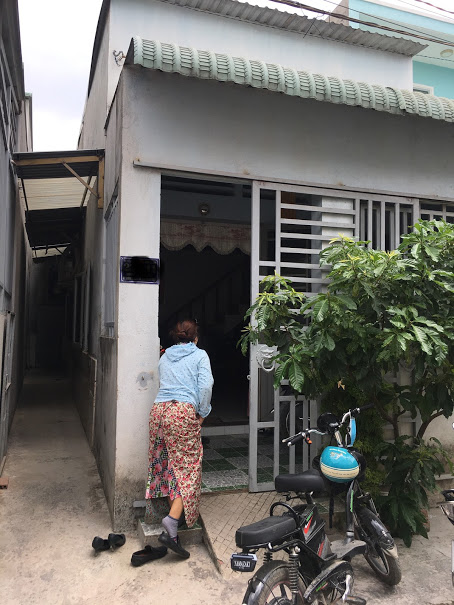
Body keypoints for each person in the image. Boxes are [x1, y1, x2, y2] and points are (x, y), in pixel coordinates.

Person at [145, 319, 213, 558]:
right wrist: (203, 412)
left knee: (168, 465)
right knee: (189, 468)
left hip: (159, 411)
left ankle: (173, 526)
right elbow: (205, 387)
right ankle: (173, 520)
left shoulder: (165, 357)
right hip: (181, 412)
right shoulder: (200, 355)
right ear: (195, 338)